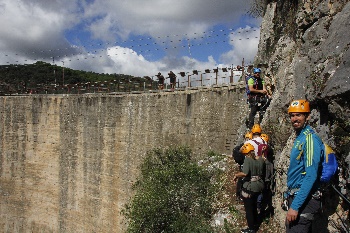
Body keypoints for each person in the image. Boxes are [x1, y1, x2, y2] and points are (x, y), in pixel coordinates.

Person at [285, 99, 323, 232]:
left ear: (307, 116)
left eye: (299, 115)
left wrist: (295, 206)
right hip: (297, 197)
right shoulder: (300, 137)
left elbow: (311, 175)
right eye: (292, 115)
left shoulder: (310, 139)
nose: (294, 118)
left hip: (304, 202)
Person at [233, 143, 265, 233]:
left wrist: (236, 175)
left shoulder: (248, 160)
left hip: (250, 187)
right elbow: (262, 159)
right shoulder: (258, 159)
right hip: (259, 186)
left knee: (249, 209)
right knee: (254, 206)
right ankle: (255, 224)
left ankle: (251, 228)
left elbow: (245, 173)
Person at [232, 132, 253, 201]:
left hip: (244, 167)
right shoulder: (251, 148)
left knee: (242, 181)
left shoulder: (243, 147)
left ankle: (240, 196)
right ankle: (240, 196)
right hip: (248, 168)